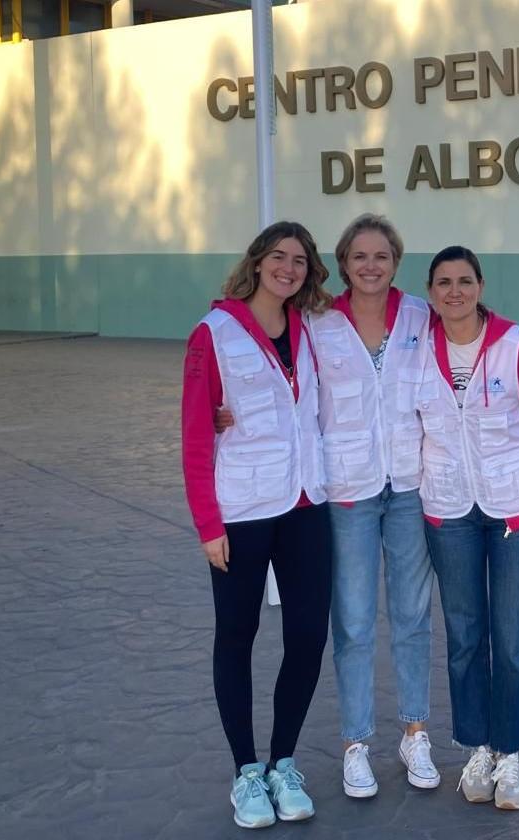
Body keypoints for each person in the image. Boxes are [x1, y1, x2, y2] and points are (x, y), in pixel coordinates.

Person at [215, 214, 440, 798]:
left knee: (414, 616)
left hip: (410, 486)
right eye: (359, 256)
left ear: (396, 263)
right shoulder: (317, 321)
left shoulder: (420, 316)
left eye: (382, 257)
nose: (371, 266)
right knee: (355, 620)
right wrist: (226, 413)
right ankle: (356, 743)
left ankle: (416, 732)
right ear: (342, 264)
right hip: (347, 491)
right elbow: (272, 372)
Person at [181, 221, 334, 829]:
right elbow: (197, 433)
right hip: (240, 511)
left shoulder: (314, 329)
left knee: (306, 636)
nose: (288, 268)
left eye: (299, 260)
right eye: (279, 257)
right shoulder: (212, 333)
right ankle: (246, 772)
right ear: (257, 261)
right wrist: (207, 524)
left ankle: (283, 762)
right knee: (236, 635)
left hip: (305, 506)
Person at [417, 245, 519, 811]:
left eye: (463, 281)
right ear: (431, 292)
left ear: (480, 287)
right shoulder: (417, 349)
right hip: (450, 513)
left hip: (517, 515)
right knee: (464, 638)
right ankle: (477, 746)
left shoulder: (516, 346)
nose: (453, 291)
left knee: (512, 640)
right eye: (442, 282)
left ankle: (512, 751)